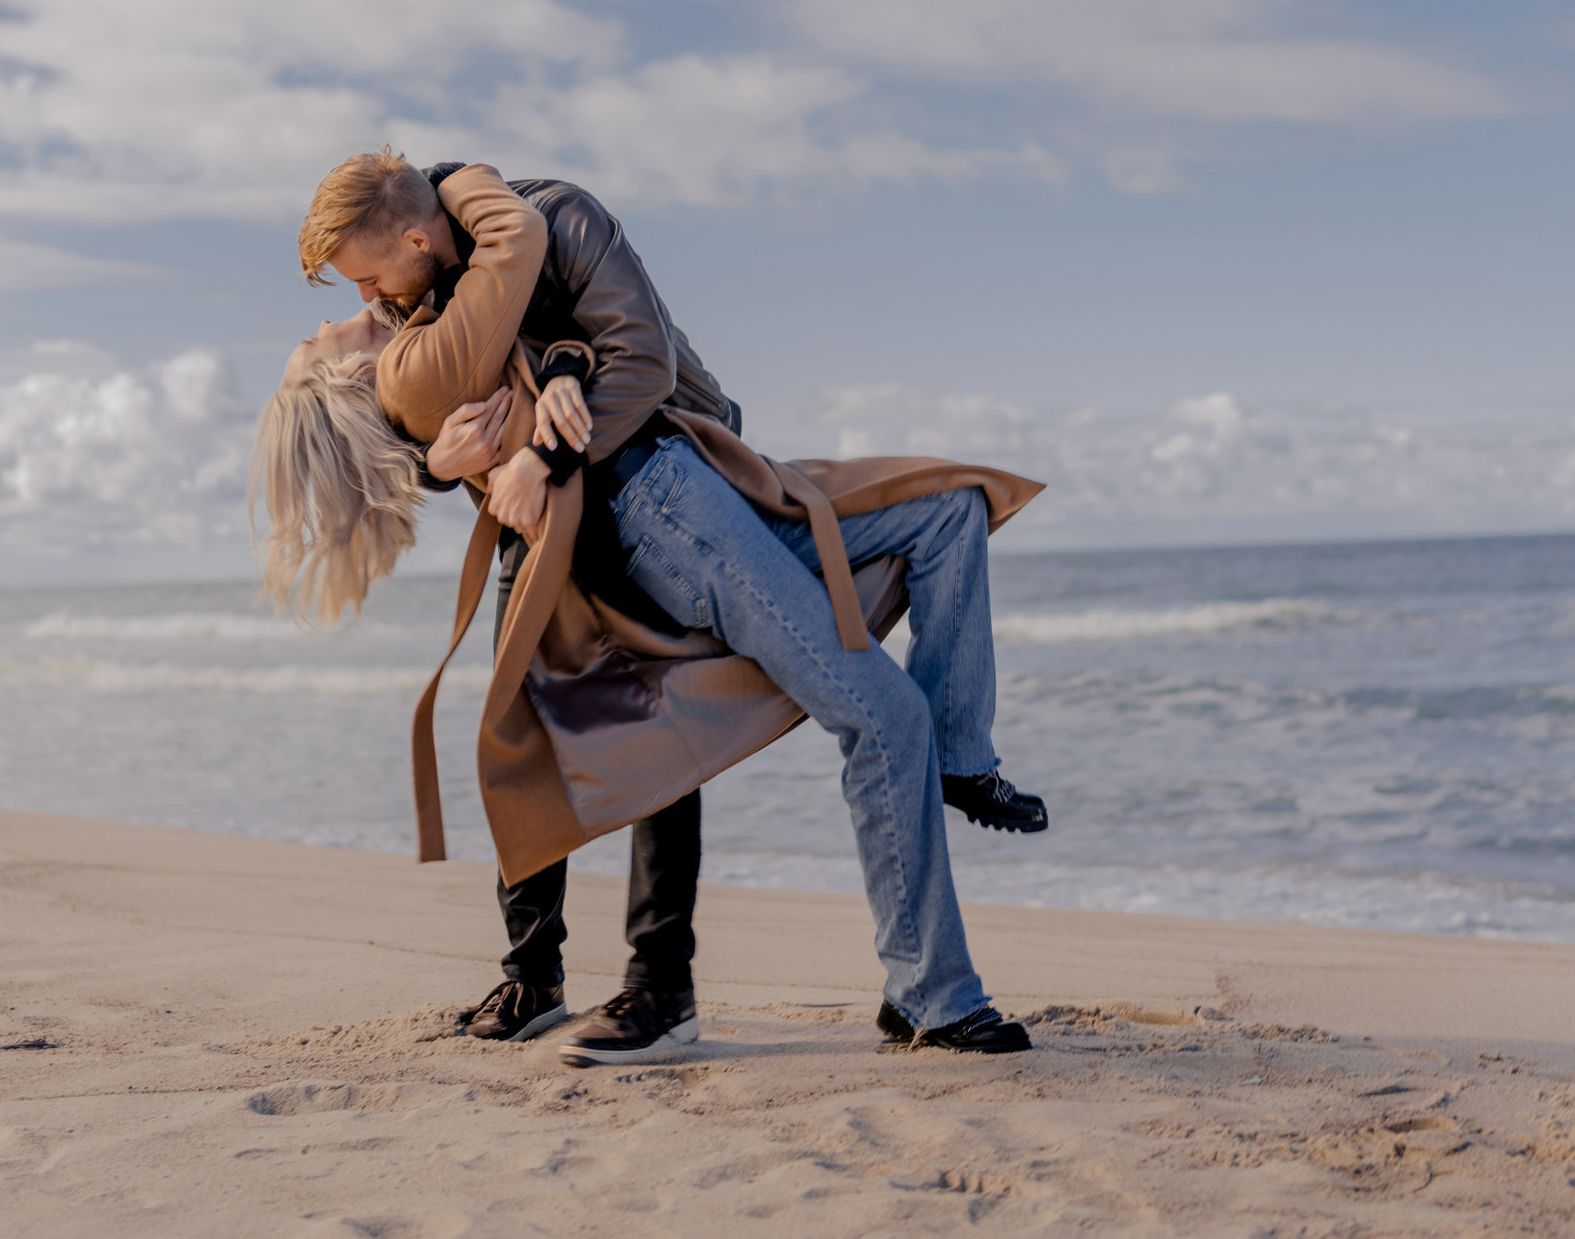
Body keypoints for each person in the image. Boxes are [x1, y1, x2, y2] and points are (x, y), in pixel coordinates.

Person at [257, 156, 1046, 1063]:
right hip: (649, 503)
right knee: (836, 718)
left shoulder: (528, 232)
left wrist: (551, 386)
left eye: (361, 279)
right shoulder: (424, 310)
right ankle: (919, 996)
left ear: (414, 236)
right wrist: (472, 454)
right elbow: (475, 343)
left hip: (695, 470)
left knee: (952, 510)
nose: (352, 304)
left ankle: (958, 760)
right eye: (334, 317)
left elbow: (612, 350)